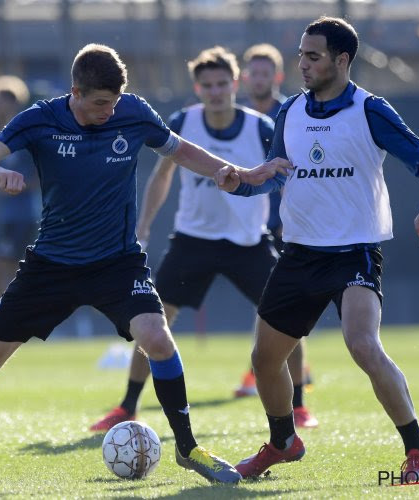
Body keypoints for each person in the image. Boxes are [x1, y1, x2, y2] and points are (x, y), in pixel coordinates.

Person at [0, 43, 282, 484]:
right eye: (100, 104)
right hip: (51, 265)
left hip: (118, 264)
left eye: (114, 102)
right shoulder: (40, 119)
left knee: (158, 339)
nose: (109, 112)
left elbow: (180, 151)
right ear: (75, 92)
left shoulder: (133, 112)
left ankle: (189, 450)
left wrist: (235, 172)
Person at [215, 17, 419, 480]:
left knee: (362, 344)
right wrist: (240, 183)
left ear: (342, 60)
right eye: (300, 54)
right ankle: (283, 442)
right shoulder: (288, 113)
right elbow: (277, 176)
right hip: (299, 255)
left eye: (313, 56)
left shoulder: (370, 110)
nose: (302, 64)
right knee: (264, 359)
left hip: (354, 253)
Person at [89, 46, 298, 431]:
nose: (215, 91)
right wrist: (144, 225)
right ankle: (128, 405)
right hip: (193, 240)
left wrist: (293, 221)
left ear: (236, 83)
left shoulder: (261, 127)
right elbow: (162, 177)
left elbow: (282, 178)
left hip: (248, 242)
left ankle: (298, 406)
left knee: (284, 316)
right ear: (197, 87)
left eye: (222, 83)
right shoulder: (183, 122)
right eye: (207, 85)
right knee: (152, 320)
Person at [236, 45, 318, 429]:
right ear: (244, 77)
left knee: (287, 311)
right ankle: (261, 370)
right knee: (267, 309)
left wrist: (292, 215)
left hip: (285, 226)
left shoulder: (293, 114)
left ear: (277, 77)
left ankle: (298, 398)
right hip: (249, 227)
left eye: (265, 72)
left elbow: (299, 172)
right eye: (253, 72)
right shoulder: (236, 119)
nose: (258, 78)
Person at [0, 75, 42, 303]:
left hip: (25, 215)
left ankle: (4, 323)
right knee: (6, 271)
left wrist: (19, 185)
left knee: (3, 268)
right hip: (8, 216)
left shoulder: (25, 135)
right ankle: (5, 322)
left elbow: (41, 173)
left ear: (12, 103)